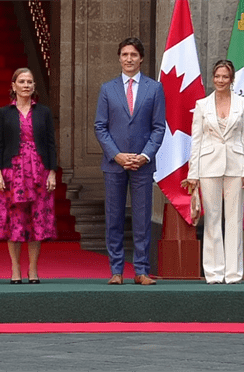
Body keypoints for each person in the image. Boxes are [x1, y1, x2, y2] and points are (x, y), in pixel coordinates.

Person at [94, 37, 166, 285]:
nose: (129, 59)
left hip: (142, 164)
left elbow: (158, 127)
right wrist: (117, 155)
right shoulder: (108, 89)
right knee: (113, 217)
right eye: (124, 54)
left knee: (142, 217)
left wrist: (145, 155)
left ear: (141, 58)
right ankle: (116, 270)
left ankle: (141, 270)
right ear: (119, 58)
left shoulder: (154, 88)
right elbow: (100, 127)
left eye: (133, 55)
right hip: (115, 164)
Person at [187, 60, 244, 284]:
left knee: (234, 219)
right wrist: (193, 173)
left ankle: (233, 273)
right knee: (213, 219)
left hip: (236, 165)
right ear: (212, 78)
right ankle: (213, 273)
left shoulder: (243, 104)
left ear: (232, 79)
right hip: (208, 165)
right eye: (217, 76)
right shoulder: (202, 105)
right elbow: (196, 141)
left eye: (225, 77)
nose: (220, 81)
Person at [0, 68, 57, 284]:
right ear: (14, 86)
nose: (26, 85)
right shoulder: (4, 113)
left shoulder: (43, 112)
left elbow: (50, 144)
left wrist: (52, 172)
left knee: (36, 220)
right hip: (12, 172)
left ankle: (34, 269)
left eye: (30, 81)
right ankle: (15, 268)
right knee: (15, 221)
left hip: (39, 171)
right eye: (22, 81)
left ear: (34, 86)